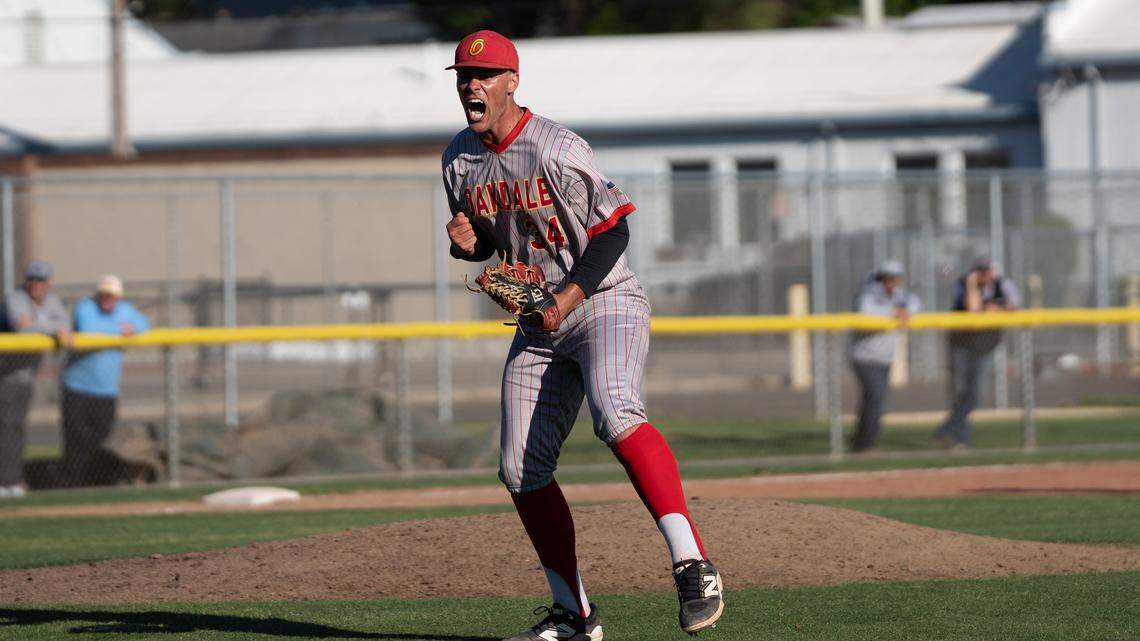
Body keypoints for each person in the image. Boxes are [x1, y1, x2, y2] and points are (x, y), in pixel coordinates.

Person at [441, 30, 723, 641]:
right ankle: (574, 615)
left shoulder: (555, 147)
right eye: (464, 74)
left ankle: (692, 563)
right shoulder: (457, 158)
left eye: (485, 74)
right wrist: (471, 244)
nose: (472, 84)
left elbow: (614, 230)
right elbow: (494, 240)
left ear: (513, 82)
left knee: (617, 412)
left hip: (602, 302)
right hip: (539, 323)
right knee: (520, 470)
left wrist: (567, 298)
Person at [60, 275, 148, 487]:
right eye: (105, 295)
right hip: (78, 388)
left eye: (113, 296)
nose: (108, 299)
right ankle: (74, 485)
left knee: (103, 439)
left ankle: (97, 483)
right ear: (98, 294)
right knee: (76, 440)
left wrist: (132, 329)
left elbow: (143, 323)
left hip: (106, 391)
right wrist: (120, 330)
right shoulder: (86, 306)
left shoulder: (124, 309)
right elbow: (90, 329)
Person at [0, 261, 71, 497]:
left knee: (17, 427)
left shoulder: (51, 301)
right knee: (6, 427)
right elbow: (22, 329)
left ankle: (11, 481)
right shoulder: (15, 298)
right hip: (6, 374)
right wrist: (51, 328)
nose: (36, 284)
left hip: (27, 375)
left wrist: (42, 326)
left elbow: (65, 324)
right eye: (32, 279)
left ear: (48, 283)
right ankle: (4, 482)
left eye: (41, 280)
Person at [934, 257, 1021, 449]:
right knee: (958, 392)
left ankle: (946, 429)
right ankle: (960, 439)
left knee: (976, 394)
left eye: (988, 271)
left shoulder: (1002, 284)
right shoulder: (963, 285)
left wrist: (996, 308)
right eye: (980, 271)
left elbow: (1015, 306)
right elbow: (972, 310)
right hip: (961, 345)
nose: (985, 275)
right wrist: (972, 285)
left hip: (985, 346)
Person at [849, 260, 921, 454]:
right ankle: (866, 444)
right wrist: (893, 312)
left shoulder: (900, 295)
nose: (891, 282)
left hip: (884, 358)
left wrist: (903, 312)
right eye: (887, 277)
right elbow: (865, 311)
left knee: (872, 400)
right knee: (876, 398)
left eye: (895, 277)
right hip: (864, 357)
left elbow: (914, 304)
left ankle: (861, 442)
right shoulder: (870, 292)